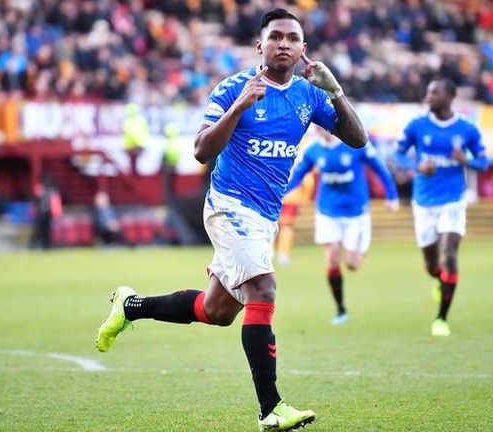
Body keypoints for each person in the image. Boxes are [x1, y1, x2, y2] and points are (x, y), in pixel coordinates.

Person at [95, 8, 367, 432]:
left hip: (265, 217)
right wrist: (238, 108)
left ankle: (130, 306)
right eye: (274, 36)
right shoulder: (233, 87)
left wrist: (336, 92)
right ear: (259, 45)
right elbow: (202, 150)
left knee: (217, 311)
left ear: (302, 50)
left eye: (291, 39)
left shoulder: (309, 95)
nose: (283, 44)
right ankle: (270, 409)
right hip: (228, 205)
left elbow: (357, 139)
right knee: (263, 288)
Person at [396, 78, 488, 337]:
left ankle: (441, 318)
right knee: (431, 263)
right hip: (423, 202)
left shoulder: (467, 128)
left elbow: (484, 161)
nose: (429, 97)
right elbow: (398, 154)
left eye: (435, 93)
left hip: (453, 200)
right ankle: (439, 279)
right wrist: (417, 167)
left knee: (449, 253)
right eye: (428, 92)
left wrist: (465, 159)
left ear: (450, 96)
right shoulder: (417, 125)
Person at [286, 127, 399, 324]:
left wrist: (392, 196)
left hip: (356, 212)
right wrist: (280, 194)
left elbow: (380, 168)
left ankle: (360, 250)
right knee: (332, 259)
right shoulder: (313, 150)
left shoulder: (355, 144)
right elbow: (297, 175)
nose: (317, 127)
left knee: (353, 265)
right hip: (327, 211)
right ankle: (340, 309)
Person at [275, 167, 314, 266]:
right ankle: (283, 255)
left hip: (274, 195)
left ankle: (270, 253)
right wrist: (305, 198)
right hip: (291, 197)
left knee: (272, 224)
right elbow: (308, 180)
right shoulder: (300, 156)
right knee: (286, 227)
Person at [122, 102, 149, 175]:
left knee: (133, 164)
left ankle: (134, 176)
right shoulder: (141, 119)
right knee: (134, 164)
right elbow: (145, 132)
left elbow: (129, 133)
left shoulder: (127, 121)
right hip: (139, 145)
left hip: (132, 146)